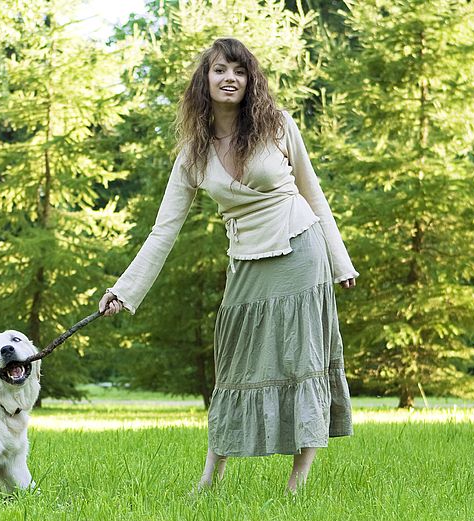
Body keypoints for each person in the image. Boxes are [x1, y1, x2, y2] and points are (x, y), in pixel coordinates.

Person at [99, 37, 359, 494]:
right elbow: (164, 230)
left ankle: (296, 484)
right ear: (205, 80)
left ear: (250, 80)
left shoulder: (278, 126)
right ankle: (209, 480)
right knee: (234, 368)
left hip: (301, 248)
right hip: (246, 260)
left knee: (304, 359)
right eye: (220, 70)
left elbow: (312, 194)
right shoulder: (193, 155)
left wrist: (341, 261)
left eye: (239, 71)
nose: (230, 78)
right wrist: (125, 290)